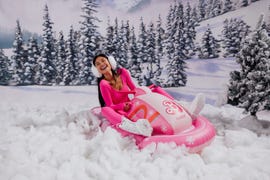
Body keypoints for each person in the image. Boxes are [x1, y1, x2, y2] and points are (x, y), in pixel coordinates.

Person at [92, 53, 205, 137]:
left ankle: (185, 109)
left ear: (110, 62)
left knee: (156, 88)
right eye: (98, 64)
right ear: (97, 70)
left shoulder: (123, 73)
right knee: (105, 110)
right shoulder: (103, 84)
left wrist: (145, 90)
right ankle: (133, 127)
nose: (101, 64)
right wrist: (121, 106)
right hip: (120, 111)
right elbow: (111, 105)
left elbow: (134, 89)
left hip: (132, 105)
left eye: (103, 60)